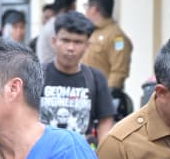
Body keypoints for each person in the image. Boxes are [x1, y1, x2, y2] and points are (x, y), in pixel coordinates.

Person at [39, 11, 115, 144]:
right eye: (65, 40)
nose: (70, 48)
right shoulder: (36, 75)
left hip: (80, 157)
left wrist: (102, 155)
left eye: (78, 42)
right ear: (54, 41)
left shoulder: (96, 78)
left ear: (87, 46)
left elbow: (105, 121)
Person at [82, 0, 133, 95]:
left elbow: (119, 72)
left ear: (94, 9)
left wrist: (105, 96)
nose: (85, 11)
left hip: (100, 96)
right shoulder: (91, 32)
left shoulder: (117, 37)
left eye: (87, 7)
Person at [36, 0, 76, 65]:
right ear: (64, 11)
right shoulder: (53, 28)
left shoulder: (56, 25)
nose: (75, 15)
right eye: (73, 11)